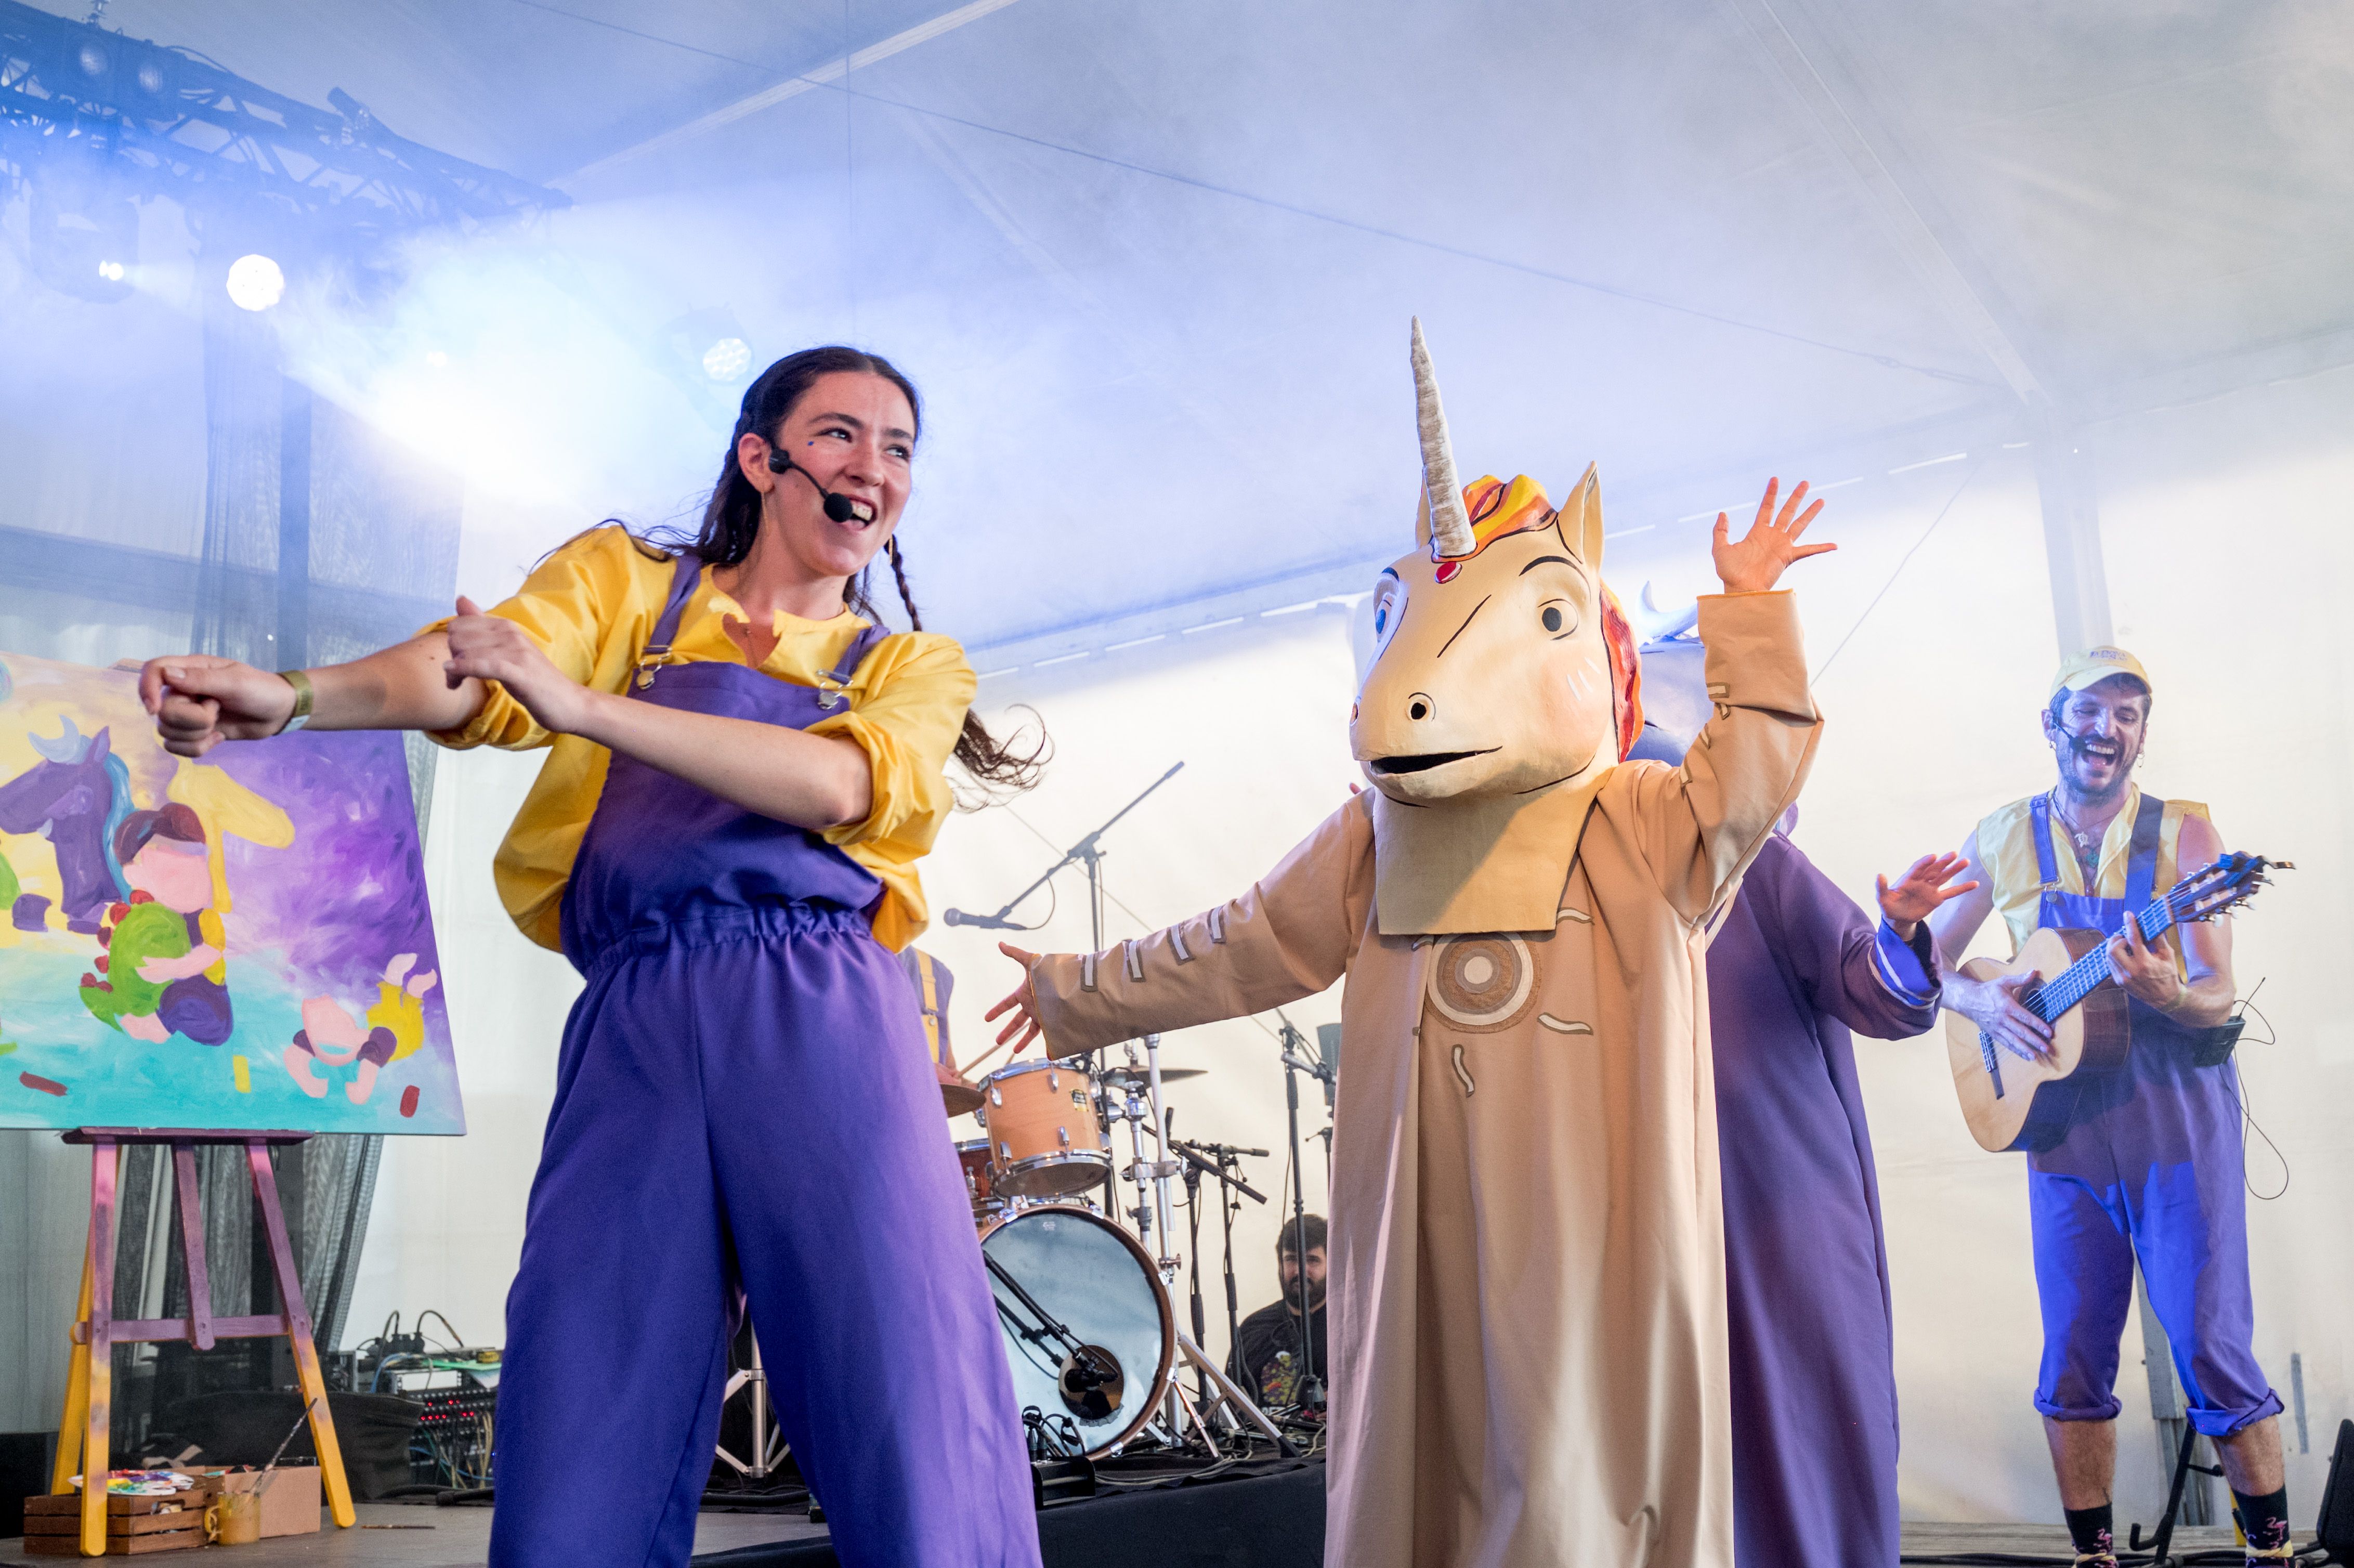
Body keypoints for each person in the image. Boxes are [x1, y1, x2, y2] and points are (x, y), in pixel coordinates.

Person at [137, 346, 1046, 1568]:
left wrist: (585, 707)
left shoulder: (906, 668)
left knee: (903, 1380)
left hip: (820, 1005)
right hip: (639, 1006)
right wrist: (293, 695)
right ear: (760, 456)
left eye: (896, 450)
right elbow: (468, 669)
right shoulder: (628, 583)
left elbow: (836, 779)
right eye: (839, 434)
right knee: (587, 1364)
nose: (871, 468)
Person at [987, 320, 1837, 1568]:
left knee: (1577, 1433)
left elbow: (1752, 765)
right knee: (1427, 1421)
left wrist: (1749, 612)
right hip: (1423, 1210)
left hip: (1591, 1212)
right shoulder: (1372, 837)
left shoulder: (1643, 823)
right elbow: (1236, 942)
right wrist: (1075, 991)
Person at [1928, 648, 2288, 1567]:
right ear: (2053, 722)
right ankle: (2093, 1558)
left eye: (2130, 712)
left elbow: (2216, 998)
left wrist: (2165, 990)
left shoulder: (2188, 838)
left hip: (2172, 1110)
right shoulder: (2001, 832)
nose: (2111, 726)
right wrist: (1980, 1000)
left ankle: (2271, 1552)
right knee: (2075, 1347)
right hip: (2059, 1119)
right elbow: (1927, 961)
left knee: (2209, 1339)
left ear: (2138, 735)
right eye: (2093, 707)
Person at [1228, 1215, 1328, 1417]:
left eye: (1312, 1260)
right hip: (1263, 1447)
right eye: (1291, 1259)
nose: (1300, 1270)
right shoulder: (1254, 1327)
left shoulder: (1352, 1329)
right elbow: (1229, 1403)